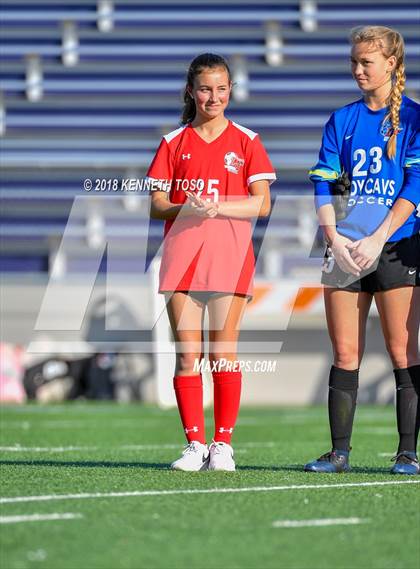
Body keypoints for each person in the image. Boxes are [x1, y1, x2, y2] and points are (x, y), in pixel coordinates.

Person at [147, 53, 276, 471]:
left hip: (229, 258)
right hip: (182, 260)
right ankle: (194, 445)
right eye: (205, 88)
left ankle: (222, 446)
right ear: (191, 91)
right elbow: (157, 204)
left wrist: (218, 206)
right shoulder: (172, 142)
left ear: (231, 91)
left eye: (221, 88)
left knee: (223, 353)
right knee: (187, 355)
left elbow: (262, 205)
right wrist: (185, 208)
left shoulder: (247, 141)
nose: (213, 96)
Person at [305, 25, 420, 475]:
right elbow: (323, 183)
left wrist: (376, 239)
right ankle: (339, 454)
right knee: (345, 354)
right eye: (353, 61)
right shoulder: (341, 119)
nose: (357, 70)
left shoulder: (413, 118)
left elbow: (414, 186)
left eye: (365, 62)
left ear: (391, 64)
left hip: (395, 247)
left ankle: (407, 453)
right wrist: (335, 239)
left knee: (402, 352)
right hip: (343, 249)